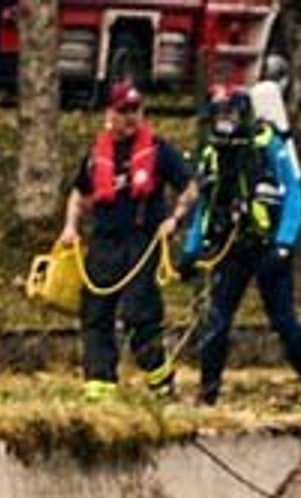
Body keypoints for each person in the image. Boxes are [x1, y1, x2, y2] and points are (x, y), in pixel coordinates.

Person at [182, 84, 301, 410]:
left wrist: (283, 244)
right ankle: (207, 395)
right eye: (220, 116)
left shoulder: (269, 146)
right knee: (216, 321)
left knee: (284, 321)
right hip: (230, 249)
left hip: (268, 247)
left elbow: (294, 195)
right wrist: (190, 250)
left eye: (231, 115)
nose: (225, 122)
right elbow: (205, 208)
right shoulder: (212, 155)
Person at [56, 81, 198, 400]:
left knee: (140, 313)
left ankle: (159, 379)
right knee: (95, 312)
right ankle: (99, 385)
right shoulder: (96, 155)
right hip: (105, 241)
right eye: (123, 111)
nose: (130, 117)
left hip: (142, 241)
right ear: (110, 113)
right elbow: (79, 193)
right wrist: (70, 228)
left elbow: (190, 186)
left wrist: (174, 218)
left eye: (135, 110)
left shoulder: (160, 151)